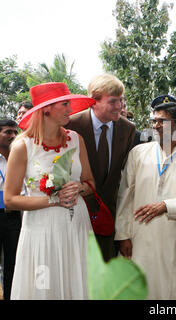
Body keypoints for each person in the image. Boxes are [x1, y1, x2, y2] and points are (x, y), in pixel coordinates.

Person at [5, 82, 96, 299]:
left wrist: (80, 187)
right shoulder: (22, 146)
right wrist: (54, 201)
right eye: (65, 104)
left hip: (77, 227)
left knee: (77, 280)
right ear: (46, 108)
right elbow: (10, 199)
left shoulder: (76, 139)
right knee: (44, 284)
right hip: (41, 229)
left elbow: (91, 183)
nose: (70, 109)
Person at [115, 97, 176, 300]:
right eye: (154, 121)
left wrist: (166, 206)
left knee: (174, 290)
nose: (156, 126)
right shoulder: (138, 153)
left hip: (175, 239)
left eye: (162, 122)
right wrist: (123, 234)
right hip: (140, 238)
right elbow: (125, 196)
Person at [66, 74, 136, 262]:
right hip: (75, 212)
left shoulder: (128, 129)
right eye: (113, 101)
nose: (120, 106)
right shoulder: (71, 125)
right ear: (93, 101)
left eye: (121, 100)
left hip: (108, 217)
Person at [0, 119, 20, 300]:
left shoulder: (20, 156)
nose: (13, 136)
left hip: (14, 216)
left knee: (13, 264)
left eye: (15, 132)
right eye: (7, 132)